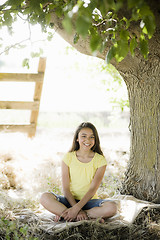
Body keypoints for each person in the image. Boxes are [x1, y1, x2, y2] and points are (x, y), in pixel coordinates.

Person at [40, 122, 117, 222]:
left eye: (91, 137)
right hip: (69, 200)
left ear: (95, 139)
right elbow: (66, 189)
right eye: (83, 136)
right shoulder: (68, 157)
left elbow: (92, 189)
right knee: (44, 197)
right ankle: (83, 217)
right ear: (77, 138)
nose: (87, 140)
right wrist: (76, 209)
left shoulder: (100, 160)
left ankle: (67, 215)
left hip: (90, 202)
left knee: (112, 207)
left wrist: (77, 209)